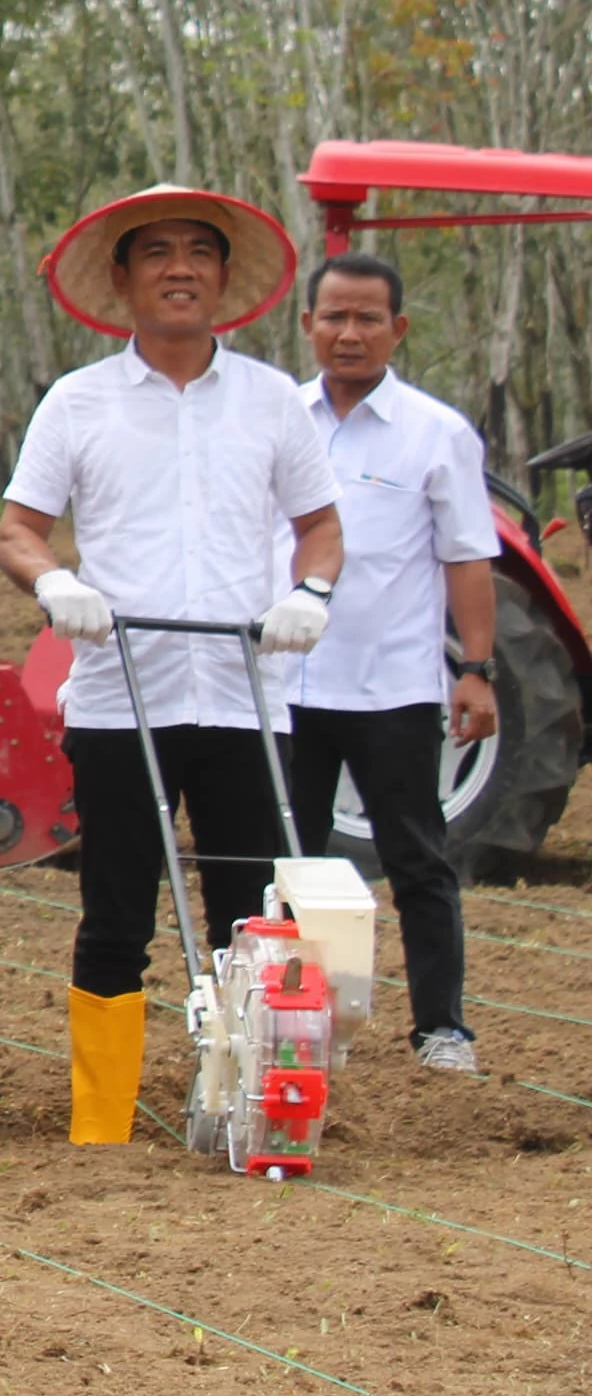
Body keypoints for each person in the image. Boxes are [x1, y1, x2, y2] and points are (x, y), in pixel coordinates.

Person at [0, 184, 342, 1147]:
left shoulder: (274, 400)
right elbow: (19, 530)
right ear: (124, 276)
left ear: (225, 278)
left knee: (247, 913)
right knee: (115, 913)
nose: (179, 268)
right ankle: (101, 1122)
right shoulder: (79, 401)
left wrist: (309, 596)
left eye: (198, 252)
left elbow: (321, 530)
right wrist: (56, 583)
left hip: (243, 692)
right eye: (157, 252)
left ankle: (250, 1103)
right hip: (119, 695)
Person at [288, 251, 497, 1074]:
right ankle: (294, 1023)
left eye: (367, 317)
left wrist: (474, 667)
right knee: (286, 859)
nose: (349, 332)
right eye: (333, 316)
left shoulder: (436, 431)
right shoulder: (278, 419)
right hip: (285, 684)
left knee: (417, 857)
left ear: (397, 329)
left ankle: (441, 1028)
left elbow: (468, 557)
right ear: (307, 325)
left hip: (395, 685)